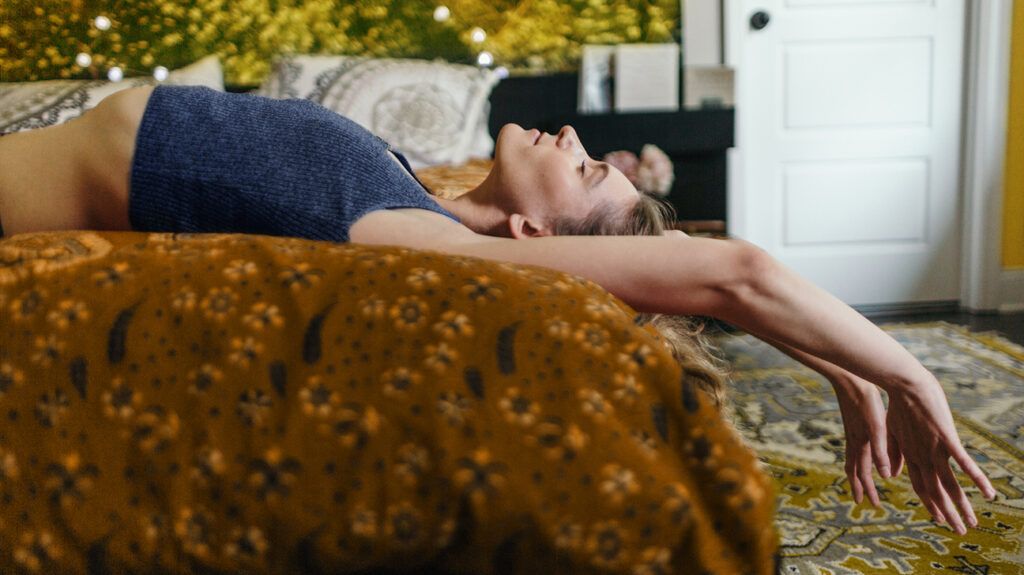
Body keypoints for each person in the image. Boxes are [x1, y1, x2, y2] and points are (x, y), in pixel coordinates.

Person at [0, 84, 995, 535]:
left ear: (536, 238)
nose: (572, 135)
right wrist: (836, 363)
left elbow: (732, 269)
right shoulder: (419, 195)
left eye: (588, 169)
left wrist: (899, 369)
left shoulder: (427, 241)